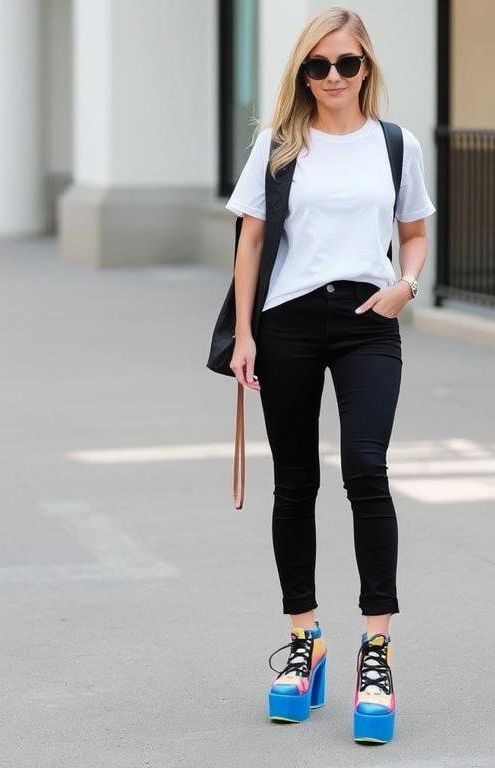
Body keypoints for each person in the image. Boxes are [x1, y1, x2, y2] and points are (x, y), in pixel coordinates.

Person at [225, 8, 434, 744]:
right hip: (286, 322)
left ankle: (375, 652)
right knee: (295, 482)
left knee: (366, 468)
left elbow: (413, 232)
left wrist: (406, 284)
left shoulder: (395, 144)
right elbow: (251, 242)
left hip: (369, 320)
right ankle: (305, 640)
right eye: (318, 66)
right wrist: (245, 333)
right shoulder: (278, 145)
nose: (333, 78)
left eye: (346, 64)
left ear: (365, 67)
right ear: (302, 73)